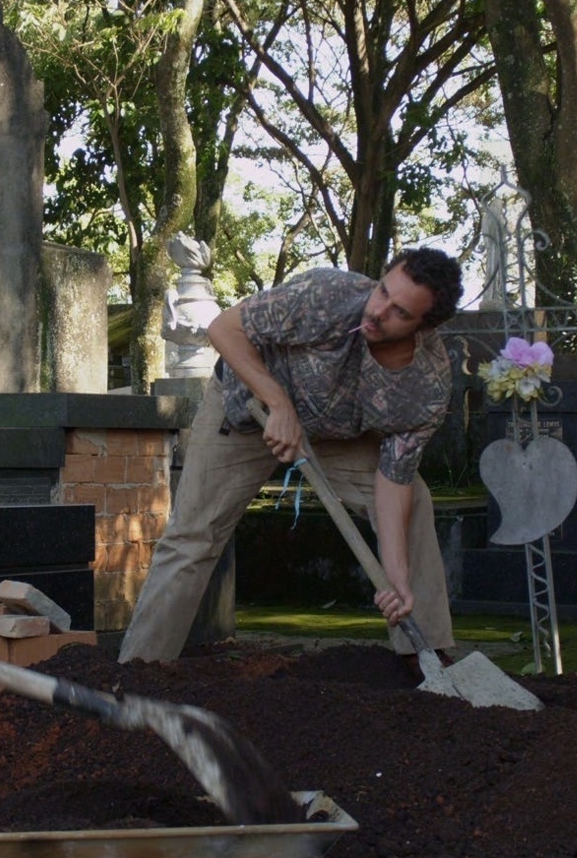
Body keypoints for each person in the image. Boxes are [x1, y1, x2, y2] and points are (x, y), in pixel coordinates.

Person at [117, 249, 464, 667]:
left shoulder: (424, 388)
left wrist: (397, 577)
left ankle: (425, 656)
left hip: (332, 433)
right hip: (246, 410)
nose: (378, 311)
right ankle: (140, 669)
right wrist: (278, 404)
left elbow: (392, 482)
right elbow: (223, 329)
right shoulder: (327, 295)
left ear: (426, 326)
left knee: (416, 501)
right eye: (382, 291)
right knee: (193, 536)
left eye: (400, 313)